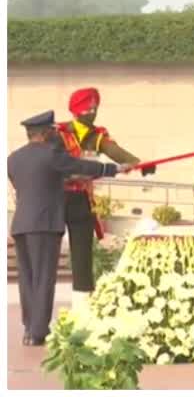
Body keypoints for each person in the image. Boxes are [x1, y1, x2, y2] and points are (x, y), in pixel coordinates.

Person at [8, 111, 125, 345]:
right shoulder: (51, 154)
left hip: (21, 224)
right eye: (52, 130)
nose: (55, 133)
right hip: (45, 224)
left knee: (28, 278)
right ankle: (39, 332)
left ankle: (29, 328)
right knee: (43, 277)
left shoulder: (14, 158)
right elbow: (79, 165)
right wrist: (113, 169)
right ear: (44, 133)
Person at [57, 87, 154, 308]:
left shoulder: (97, 135)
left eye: (94, 108)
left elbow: (115, 152)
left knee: (82, 251)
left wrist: (139, 163)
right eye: (87, 109)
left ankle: (81, 302)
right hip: (55, 198)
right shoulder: (59, 133)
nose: (92, 112)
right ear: (76, 111)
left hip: (81, 197)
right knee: (48, 252)